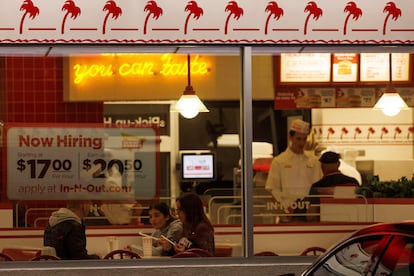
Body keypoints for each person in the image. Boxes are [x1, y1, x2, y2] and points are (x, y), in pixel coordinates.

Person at [265, 119, 322, 221]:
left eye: (304, 139)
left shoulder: (314, 162)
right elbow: (273, 190)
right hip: (288, 213)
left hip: (310, 214)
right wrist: (282, 212)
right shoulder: (279, 161)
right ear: (290, 137)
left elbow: (318, 188)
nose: (301, 143)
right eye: (298, 139)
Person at [307, 151, 360, 222]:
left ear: (322, 166)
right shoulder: (353, 182)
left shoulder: (317, 187)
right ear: (338, 164)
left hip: (326, 226)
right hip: (350, 223)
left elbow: (311, 216)